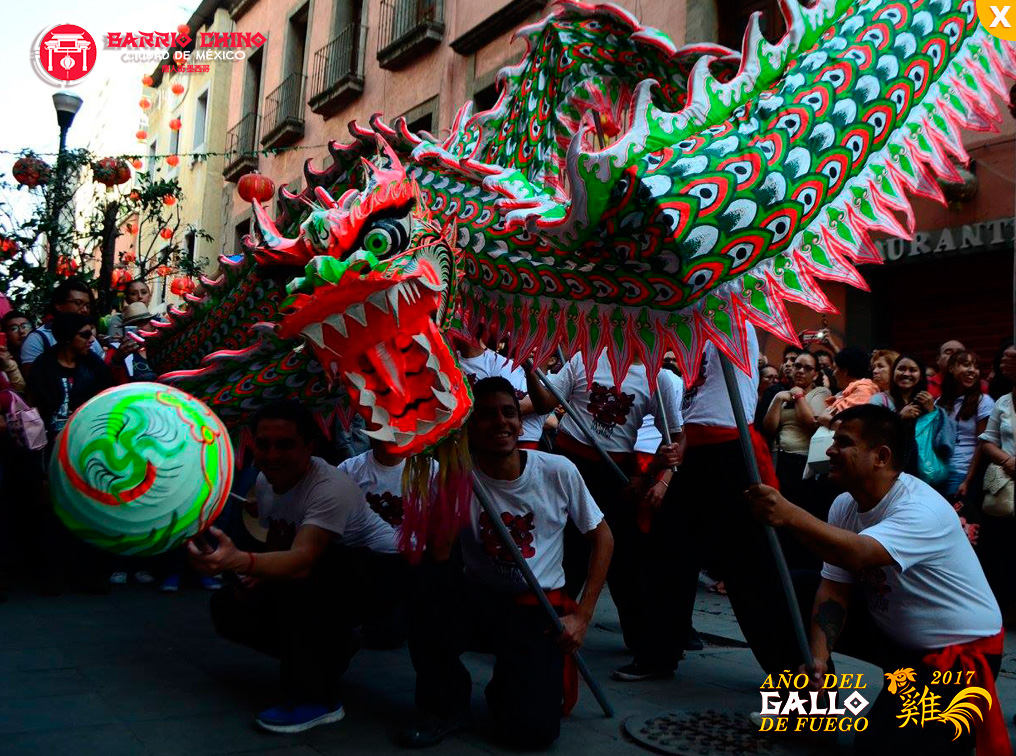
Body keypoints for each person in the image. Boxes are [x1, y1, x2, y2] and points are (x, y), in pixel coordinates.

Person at [747, 405, 1007, 755]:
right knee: (792, 589)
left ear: (881, 456)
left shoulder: (921, 509)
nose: (830, 450)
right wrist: (819, 659)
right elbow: (835, 586)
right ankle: (812, 714)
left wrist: (789, 515)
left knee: (880, 747)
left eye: (843, 442)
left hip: (954, 655)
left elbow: (859, 553)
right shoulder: (846, 504)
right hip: (894, 636)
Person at [401, 377, 613, 749]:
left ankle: (511, 684)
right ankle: (444, 704)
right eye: (485, 415)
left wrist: (582, 616)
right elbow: (438, 555)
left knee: (531, 734)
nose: (500, 423)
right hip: (479, 598)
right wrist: (452, 488)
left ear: (520, 420)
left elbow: (603, 537)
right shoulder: (456, 476)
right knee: (425, 590)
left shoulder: (557, 471)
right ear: (469, 426)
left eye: (508, 413)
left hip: (537, 607)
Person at [188, 401, 405, 734]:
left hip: (383, 575)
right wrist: (249, 573)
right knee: (229, 606)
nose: (272, 455)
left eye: (285, 444)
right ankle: (330, 650)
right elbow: (279, 542)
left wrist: (243, 561)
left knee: (309, 579)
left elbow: (303, 561)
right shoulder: (264, 480)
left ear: (308, 446)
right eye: (263, 444)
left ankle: (318, 698)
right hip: (326, 570)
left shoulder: (329, 487)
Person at [522, 348, 683, 678]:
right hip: (569, 464)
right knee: (561, 553)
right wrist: (529, 369)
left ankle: (649, 653)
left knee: (625, 564)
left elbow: (676, 436)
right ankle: (541, 632)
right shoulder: (585, 359)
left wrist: (659, 473)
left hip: (615, 475)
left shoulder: (659, 377)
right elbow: (543, 404)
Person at [760, 351, 831, 569]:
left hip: (805, 464)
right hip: (781, 461)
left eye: (807, 368)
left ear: (815, 373)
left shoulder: (820, 392)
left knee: (802, 515)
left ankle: (802, 567)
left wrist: (799, 396)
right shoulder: (782, 393)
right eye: (797, 366)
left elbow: (812, 423)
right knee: (780, 514)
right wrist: (779, 399)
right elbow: (769, 428)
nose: (800, 370)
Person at [977, 376, 1016, 627]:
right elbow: (987, 441)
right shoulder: (1003, 402)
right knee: (1005, 548)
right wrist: (1007, 460)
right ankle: (1007, 610)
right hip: (1008, 485)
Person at [936, 351, 993, 500]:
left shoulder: (983, 401)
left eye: (976, 367)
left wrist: (967, 480)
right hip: (938, 471)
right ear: (951, 368)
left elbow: (982, 443)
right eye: (966, 365)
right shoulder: (939, 403)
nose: (972, 370)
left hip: (962, 471)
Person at [20, 279, 104, 378]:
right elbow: (32, 382)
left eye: (87, 305)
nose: (84, 310)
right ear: (59, 305)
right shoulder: (38, 339)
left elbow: (103, 376)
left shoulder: (91, 340)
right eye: (78, 303)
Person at [816, 347, 880, 426]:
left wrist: (828, 420)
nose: (833, 374)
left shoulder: (864, 390)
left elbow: (853, 427)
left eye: (835, 368)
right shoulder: (845, 393)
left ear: (844, 371)